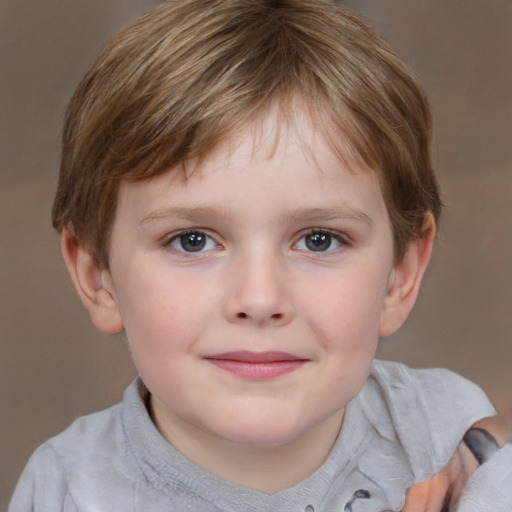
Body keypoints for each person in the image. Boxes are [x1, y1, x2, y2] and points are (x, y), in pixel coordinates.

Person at [9, 1, 512, 510]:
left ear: (399, 275)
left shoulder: (447, 440)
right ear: (98, 276)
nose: (259, 298)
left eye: (319, 239)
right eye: (192, 240)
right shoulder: (66, 490)